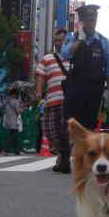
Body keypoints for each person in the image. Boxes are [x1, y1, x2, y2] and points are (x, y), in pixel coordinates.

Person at [61, 4, 109, 130]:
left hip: (95, 91)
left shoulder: (102, 41)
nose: (91, 23)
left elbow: (108, 69)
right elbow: (65, 54)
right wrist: (81, 40)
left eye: (93, 20)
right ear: (81, 21)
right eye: (88, 20)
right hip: (76, 90)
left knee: (92, 128)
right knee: (74, 128)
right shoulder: (72, 37)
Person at [36, 27, 70, 172]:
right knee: (50, 131)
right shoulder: (47, 58)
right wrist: (38, 91)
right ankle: (61, 154)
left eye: (61, 40)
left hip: (68, 101)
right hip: (51, 100)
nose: (59, 43)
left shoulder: (73, 57)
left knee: (65, 132)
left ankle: (63, 157)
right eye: (56, 40)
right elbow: (40, 76)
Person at [3, 88, 22, 155]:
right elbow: (18, 111)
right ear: (14, 94)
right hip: (14, 120)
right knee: (13, 136)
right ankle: (6, 149)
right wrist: (22, 108)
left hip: (8, 120)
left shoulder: (6, 101)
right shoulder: (15, 101)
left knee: (14, 136)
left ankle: (17, 151)